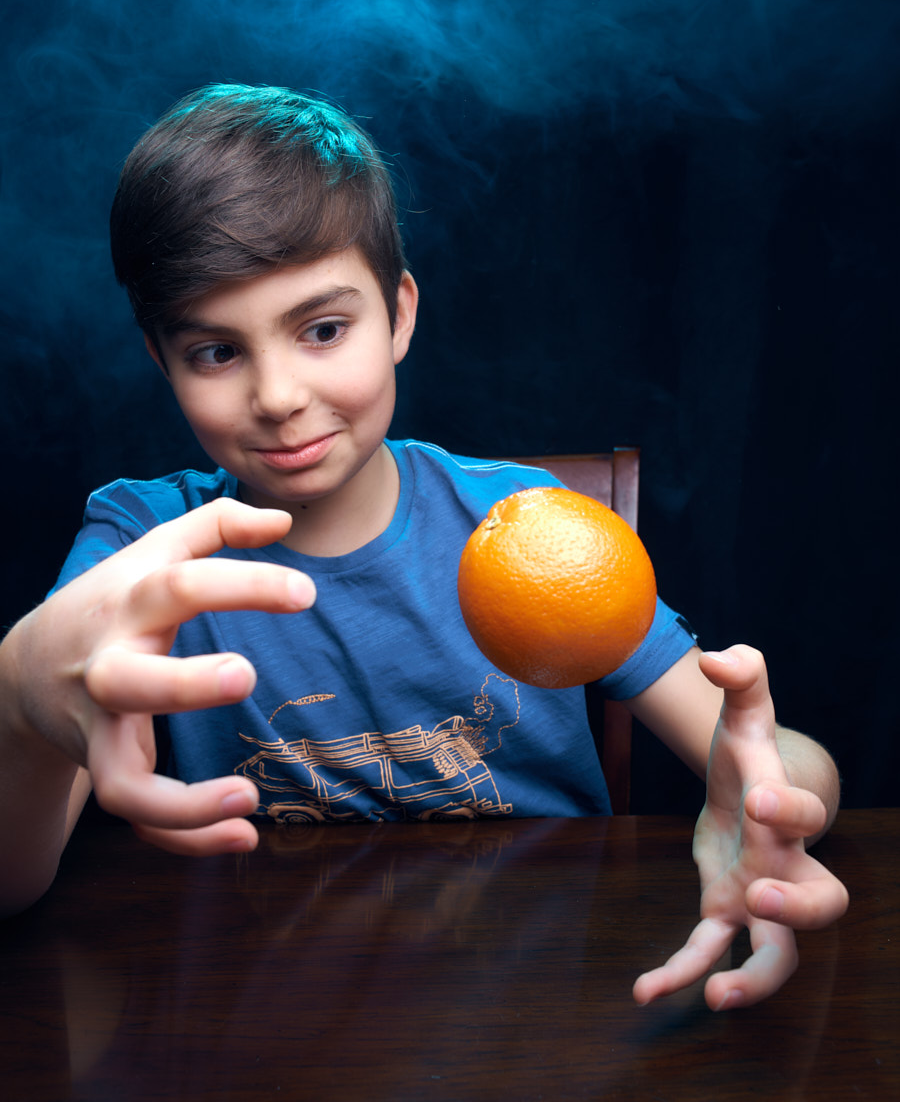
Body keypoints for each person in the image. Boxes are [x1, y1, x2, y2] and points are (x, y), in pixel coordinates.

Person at [0, 84, 847, 1010]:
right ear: (161, 358)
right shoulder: (134, 547)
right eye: (216, 352)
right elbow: (13, 882)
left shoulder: (535, 523)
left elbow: (768, 757)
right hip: (261, 1023)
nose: (278, 394)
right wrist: (16, 696)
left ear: (399, 314)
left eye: (324, 330)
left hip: (538, 1007)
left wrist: (777, 793)